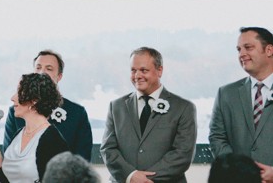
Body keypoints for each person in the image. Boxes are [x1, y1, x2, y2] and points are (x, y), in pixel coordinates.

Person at [100, 47, 196, 183]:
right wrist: (131, 176)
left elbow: (182, 154)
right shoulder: (116, 107)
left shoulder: (183, 108)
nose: (137, 76)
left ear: (159, 71)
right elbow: (108, 149)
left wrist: (144, 179)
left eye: (144, 70)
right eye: (133, 70)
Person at [209, 27, 273, 183]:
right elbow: (217, 137)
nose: (241, 54)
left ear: (269, 50)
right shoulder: (226, 93)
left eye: (248, 47)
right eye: (238, 50)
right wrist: (236, 170)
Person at [3, 50, 93, 160]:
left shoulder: (77, 113)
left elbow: (82, 159)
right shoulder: (15, 112)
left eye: (49, 69)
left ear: (59, 76)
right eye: (38, 67)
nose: (42, 73)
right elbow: (9, 156)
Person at [0, 73, 69, 183]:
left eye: (18, 92)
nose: (12, 98)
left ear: (34, 100)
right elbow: (7, 179)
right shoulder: (19, 134)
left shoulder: (53, 141)